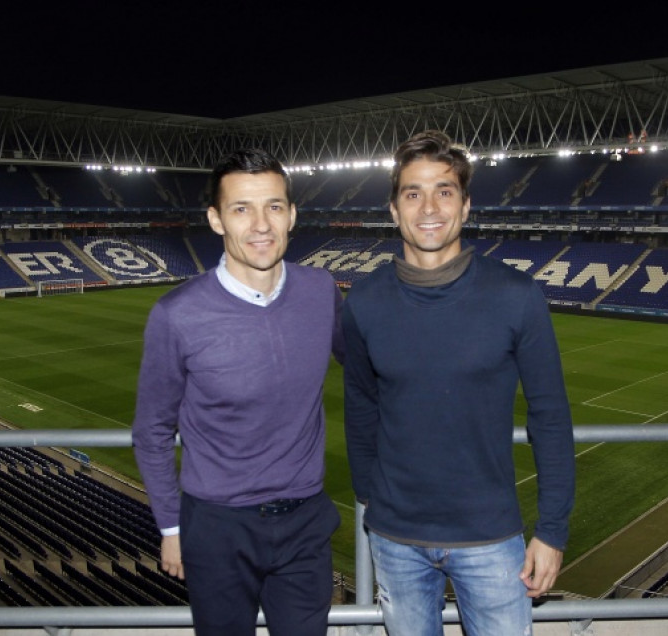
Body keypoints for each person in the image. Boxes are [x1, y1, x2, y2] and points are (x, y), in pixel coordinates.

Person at [342, 130, 575, 636]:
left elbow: (551, 418)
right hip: (395, 538)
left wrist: (552, 531)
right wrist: (370, 500)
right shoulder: (362, 304)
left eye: (444, 191)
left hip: (491, 538)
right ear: (393, 209)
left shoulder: (517, 296)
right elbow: (360, 407)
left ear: (466, 206)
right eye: (413, 193)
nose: (429, 206)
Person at [132, 147, 344, 636]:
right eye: (241, 208)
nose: (261, 224)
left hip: (305, 521)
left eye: (273, 206)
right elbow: (152, 429)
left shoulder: (320, 290)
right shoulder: (176, 314)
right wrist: (170, 528)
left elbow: (365, 369)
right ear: (215, 219)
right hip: (217, 527)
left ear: (292, 214)